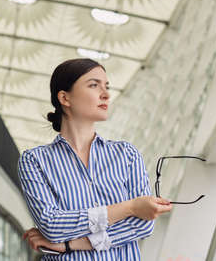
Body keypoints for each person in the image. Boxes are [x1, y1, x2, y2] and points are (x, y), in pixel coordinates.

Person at [18, 58, 172, 260]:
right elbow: (52, 225)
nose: (106, 94)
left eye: (107, 86)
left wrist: (69, 245)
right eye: (93, 85)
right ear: (65, 98)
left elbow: (143, 224)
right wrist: (130, 207)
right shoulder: (34, 161)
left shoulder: (126, 154)